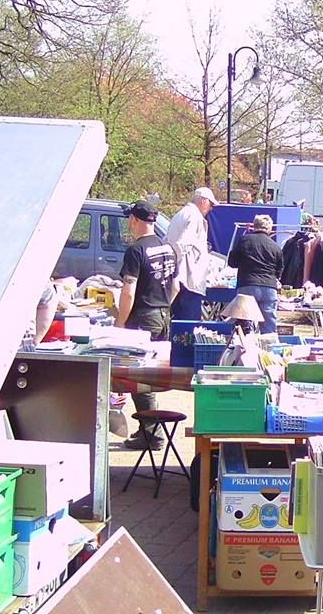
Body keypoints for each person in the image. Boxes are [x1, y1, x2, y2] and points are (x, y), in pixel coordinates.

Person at [116, 200, 177, 451]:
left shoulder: (136, 250)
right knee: (150, 376)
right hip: (163, 315)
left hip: (143, 317)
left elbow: (128, 291)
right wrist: (162, 305)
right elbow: (176, 287)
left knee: (139, 378)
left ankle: (151, 434)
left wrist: (119, 324)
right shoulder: (168, 247)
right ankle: (150, 431)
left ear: (134, 220)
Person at [227, 215, 283, 335]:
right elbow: (279, 271)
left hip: (247, 285)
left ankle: (244, 350)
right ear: (270, 229)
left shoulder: (244, 240)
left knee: (244, 326)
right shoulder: (276, 247)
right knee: (269, 327)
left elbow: (232, 262)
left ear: (254, 226)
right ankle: (269, 350)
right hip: (269, 287)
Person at [167, 187, 217, 321]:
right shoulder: (195, 217)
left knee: (177, 325)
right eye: (210, 204)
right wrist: (176, 267)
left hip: (181, 279)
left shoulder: (180, 214)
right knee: (188, 327)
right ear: (203, 201)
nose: (211, 208)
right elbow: (182, 244)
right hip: (188, 280)